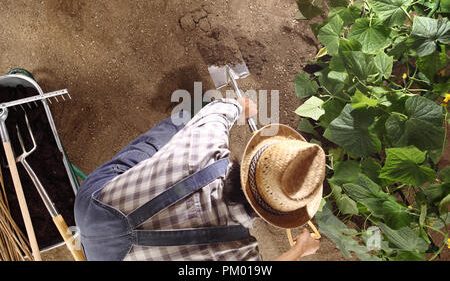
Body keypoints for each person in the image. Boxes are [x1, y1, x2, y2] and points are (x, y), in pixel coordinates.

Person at [74, 97, 325, 261]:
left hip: (91, 208)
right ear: (277, 215)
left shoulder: (206, 143)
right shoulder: (238, 253)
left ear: (253, 156)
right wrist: (300, 249)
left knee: (164, 138)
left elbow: (218, 111)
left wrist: (241, 107)